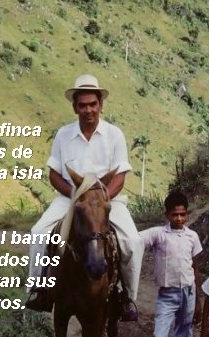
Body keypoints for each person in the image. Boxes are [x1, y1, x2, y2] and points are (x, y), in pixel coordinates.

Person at [24, 74, 143, 320]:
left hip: (108, 200)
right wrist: (77, 196)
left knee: (132, 242)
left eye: (92, 104)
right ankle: (38, 289)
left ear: (101, 105)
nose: (88, 109)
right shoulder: (63, 135)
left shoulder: (114, 135)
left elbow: (120, 175)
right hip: (71, 199)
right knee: (38, 233)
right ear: (75, 107)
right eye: (82, 105)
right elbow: (54, 175)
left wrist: (101, 199)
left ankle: (127, 297)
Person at [131, 190, 203, 337]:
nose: (179, 219)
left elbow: (196, 267)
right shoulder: (158, 235)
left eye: (182, 214)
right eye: (174, 215)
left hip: (188, 293)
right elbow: (134, 240)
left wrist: (198, 299)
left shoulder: (193, 237)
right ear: (167, 215)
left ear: (187, 214)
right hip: (167, 295)